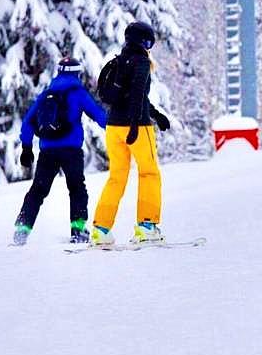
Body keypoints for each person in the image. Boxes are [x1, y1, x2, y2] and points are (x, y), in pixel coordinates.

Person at [90, 21, 171, 246]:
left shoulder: (119, 61)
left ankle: (100, 229)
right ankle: (147, 226)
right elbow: (136, 95)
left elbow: (130, 96)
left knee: (116, 177)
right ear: (143, 41)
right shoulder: (141, 62)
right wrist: (136, 124)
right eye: (149, 42)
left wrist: (156, 114)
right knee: (149, 173)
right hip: (137, 128)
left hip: (113, 128)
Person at [12, 57, 107, 245]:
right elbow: (99, 116)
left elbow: (28, 121)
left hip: (48, 152)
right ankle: (78, 230)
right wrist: (119, 129)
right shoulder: (78, 93)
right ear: (76, 73)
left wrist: (26, 148)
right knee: (77, 189)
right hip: (71, 151)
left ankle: (22, 228)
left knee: (37, 190)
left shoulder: (46, 94)